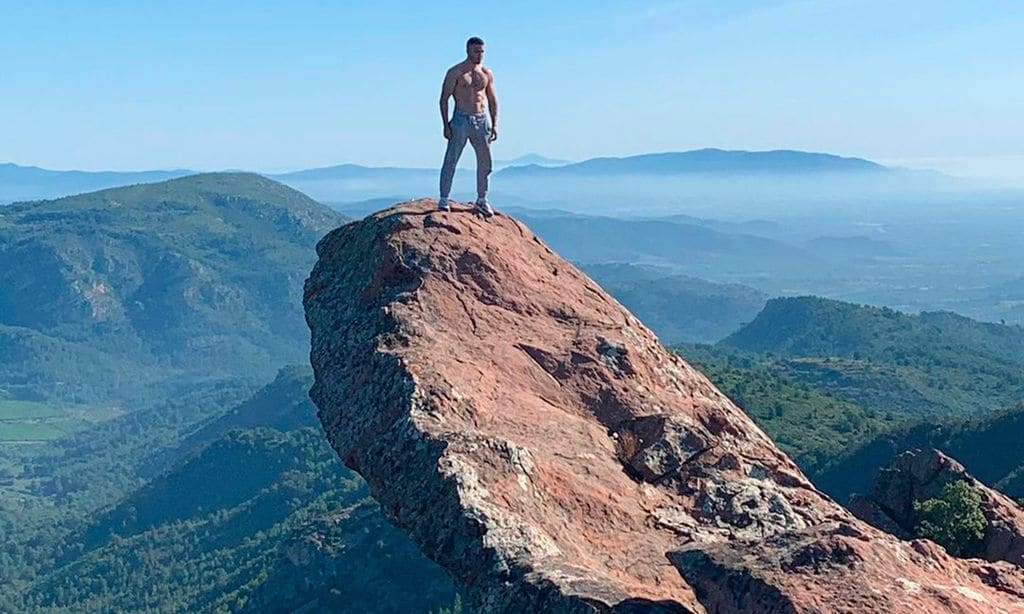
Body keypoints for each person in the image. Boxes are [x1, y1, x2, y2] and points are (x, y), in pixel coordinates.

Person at [438, 36, 498, 216]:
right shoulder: (455, 72)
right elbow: (444, 99)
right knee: (451, 159)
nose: (479, 55)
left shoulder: (486, 73)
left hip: (481, 119)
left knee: (485, 161)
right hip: (461, 119)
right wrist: (445, 124)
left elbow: (492, 99)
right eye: (475, 51)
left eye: (481, 51)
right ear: (467, 51)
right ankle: (444, 198)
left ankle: (482, 199)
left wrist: (495, 124)